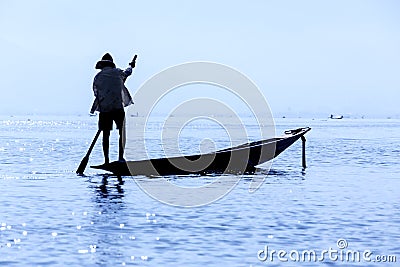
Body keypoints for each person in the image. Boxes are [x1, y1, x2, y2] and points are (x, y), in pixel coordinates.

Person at [90, 53, 136, 164]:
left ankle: (106, 160)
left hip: (105, 109)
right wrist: (131, 66)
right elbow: (128, 72)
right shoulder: (118, 73)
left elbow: (96, 93)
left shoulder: (98, 77)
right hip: (117, 108)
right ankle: (121, 158)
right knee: (122, 132)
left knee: (105, 135)